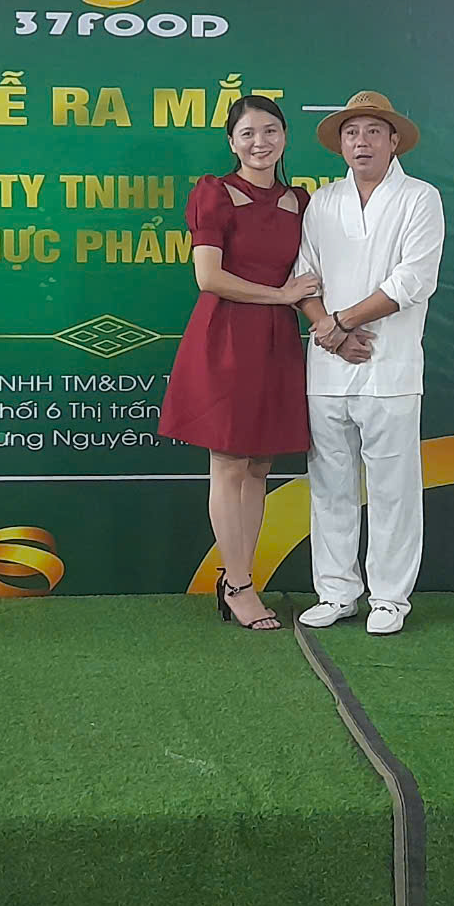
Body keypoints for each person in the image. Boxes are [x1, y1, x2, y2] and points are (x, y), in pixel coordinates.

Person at [158, 95, 322, 630]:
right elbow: (208, 277)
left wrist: (327, 320)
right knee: (228, 464)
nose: (260, 142)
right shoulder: (214, 193)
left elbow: (312, 272)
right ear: (232, 142)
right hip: (226, 337)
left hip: (276, 342)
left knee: (258, 467)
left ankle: (240, 578)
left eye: (270, 131)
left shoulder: (301, 201)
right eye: (248, 133)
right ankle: (239, 586)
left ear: (285, 136)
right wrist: (281, 296)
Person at [293, 91, 444, 636]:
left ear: (394, 140)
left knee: (392, 489)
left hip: (391, 368)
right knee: (330, 485)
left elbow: (413, 280)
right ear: (340, 144)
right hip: (328, 368)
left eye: (374, 132)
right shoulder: (323, 202)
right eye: (352, 133)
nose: (362, 142)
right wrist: (331, 333)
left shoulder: (420, 198)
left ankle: (389, 599)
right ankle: (336, 592)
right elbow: (304, 276)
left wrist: (342, 322)